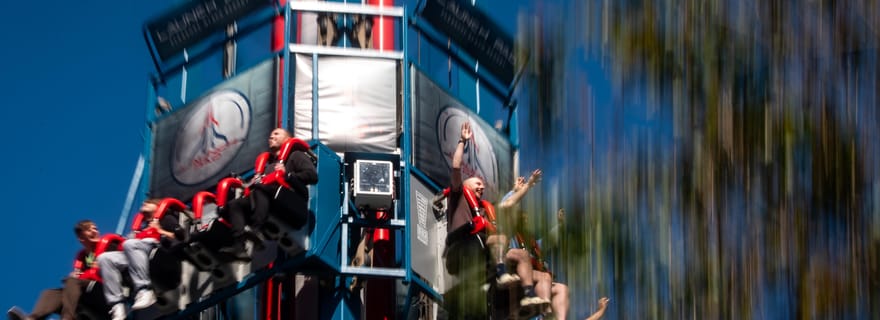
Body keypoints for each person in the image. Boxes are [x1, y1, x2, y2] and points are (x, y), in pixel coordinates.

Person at [219, 128, 318, 258]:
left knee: (261, 187)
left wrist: (287, 174)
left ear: (287, 139)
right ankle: (240, 244)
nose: (271, 137)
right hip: (271, 199)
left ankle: (257, 231)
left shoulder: (296, 155)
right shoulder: (269, 166)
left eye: (276, 134)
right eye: (270, 135)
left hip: (292, 202)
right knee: (234, 205)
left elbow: (312, 176)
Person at [97, 199, 184, 320]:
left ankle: (144, 290)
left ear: (157, 206)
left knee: (130, 244)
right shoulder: (140, 229)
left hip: (158, 252)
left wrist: (159, 230)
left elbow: (180, 237)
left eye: (148, 203)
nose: (144, 204)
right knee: (104, 258)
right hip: (137, 253)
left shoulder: (166, 219)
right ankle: (117, 305)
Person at [7, 220, 101, 320]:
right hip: (86, 296)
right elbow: (77, 274)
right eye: (89, 230)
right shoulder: (82, 257)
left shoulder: (108, 245)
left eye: (95, 229)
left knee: (72, 281)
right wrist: (75, 276)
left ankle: (68, 318)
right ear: (81, 237)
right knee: (51, 293)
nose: (94, 231)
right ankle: (32, 318)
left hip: (101, 290)